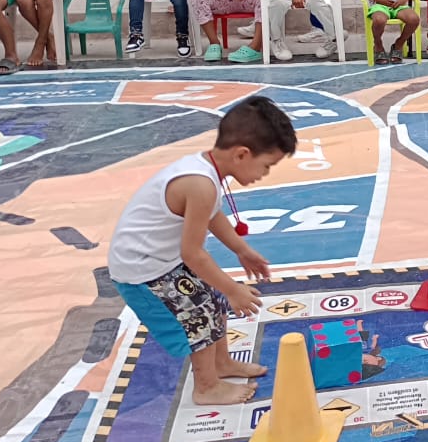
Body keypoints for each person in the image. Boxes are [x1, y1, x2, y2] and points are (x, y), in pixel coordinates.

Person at [108, 97, 296, 405]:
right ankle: (206, 386)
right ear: (242, 154)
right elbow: (192, 254)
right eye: (266, 166)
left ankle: (220, 364)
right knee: (197, 314)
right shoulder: (200, 183)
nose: (265, 173)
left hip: (160, 262)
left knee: (212, 300)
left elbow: (212, 216)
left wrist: (241, 250)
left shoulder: (205, 171)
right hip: (142, 272)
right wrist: (233, 288)